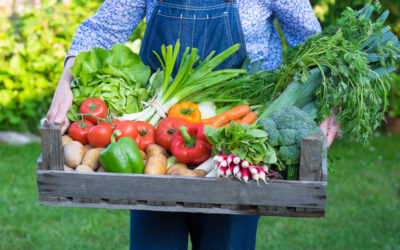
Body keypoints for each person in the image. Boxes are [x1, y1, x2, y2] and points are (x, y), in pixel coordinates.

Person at [47, 1, 339, 249]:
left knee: (228, 239)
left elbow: (309, 39)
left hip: (238, 141)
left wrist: (331, 100)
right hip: (161, 138)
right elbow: (102, 29)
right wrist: (66, 79)